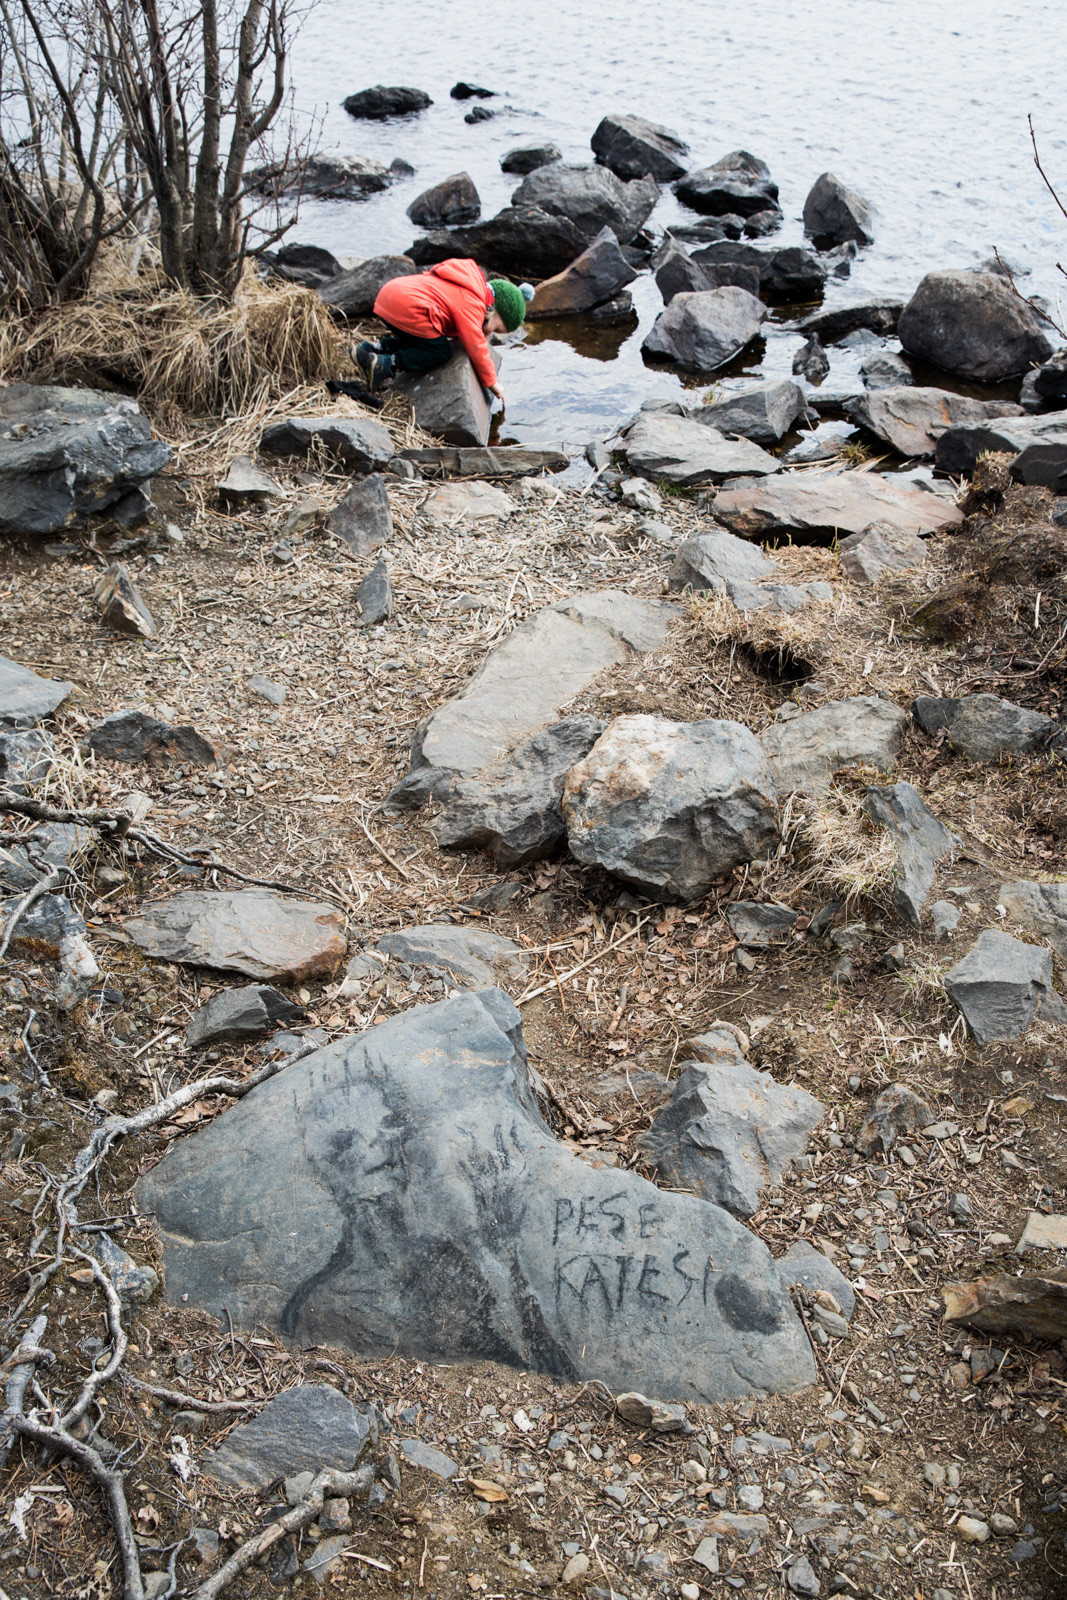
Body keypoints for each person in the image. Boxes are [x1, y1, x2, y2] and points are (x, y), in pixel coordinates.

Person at [354, 261, 531, 406]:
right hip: (409, 306)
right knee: (439, 351)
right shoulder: (475, 303)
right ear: (493, 309)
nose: (491, 334)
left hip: (390, 294)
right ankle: (385, 365)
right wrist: (492, 382)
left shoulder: (468, 284)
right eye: (497, 329)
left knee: (424, 340)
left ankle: (372, 350)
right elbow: (476, 346)